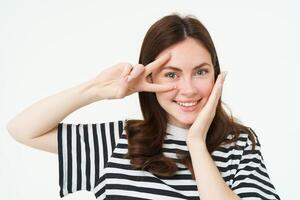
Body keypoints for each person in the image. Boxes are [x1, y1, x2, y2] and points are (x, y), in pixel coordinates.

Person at [7, 13, 280, 200]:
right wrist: (95, 90)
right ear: (150, 80)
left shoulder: (239, 145)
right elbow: (22, 130)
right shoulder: (120, 140)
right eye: (171, 74)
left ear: (215, 73)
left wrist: (196, 144)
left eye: (200, 72)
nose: (188, 89)